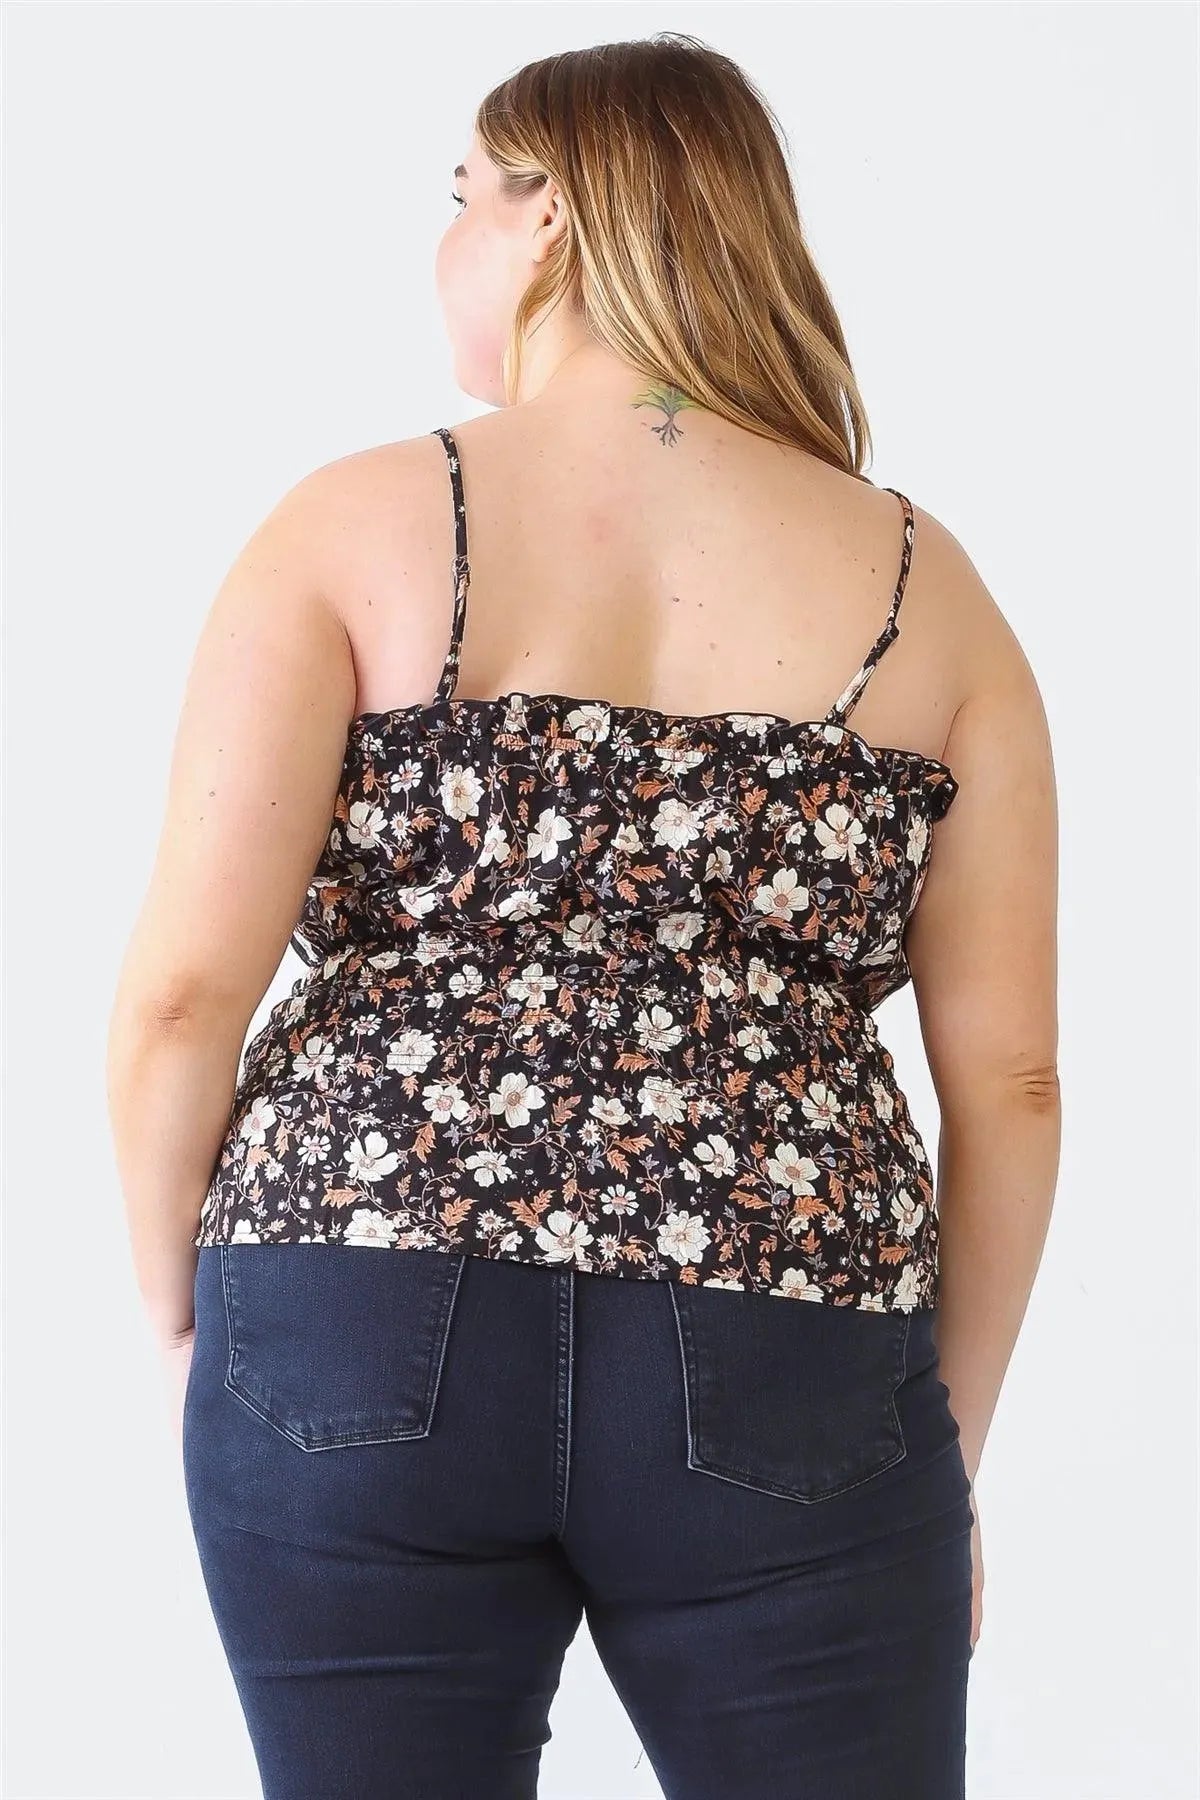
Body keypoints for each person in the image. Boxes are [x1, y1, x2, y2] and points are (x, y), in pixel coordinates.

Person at [106, 32, 1060, 1800]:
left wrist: (185, 1325)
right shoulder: (927, 586)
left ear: (547, 215)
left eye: (461, 197)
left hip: (349, 1295)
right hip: (789, 1321)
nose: (446, 242)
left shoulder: (349, 524)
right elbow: (1012, 1086)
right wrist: (947, 1444)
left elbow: (180, 1000)